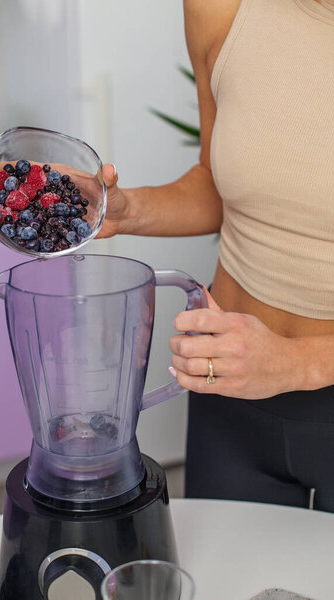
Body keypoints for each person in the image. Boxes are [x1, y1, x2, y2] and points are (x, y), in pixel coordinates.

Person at [97, 0, 334, 511]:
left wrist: (299, 363)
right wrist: (125, 211)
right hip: (228, 391)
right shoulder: (222, 8)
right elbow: (218, 182)